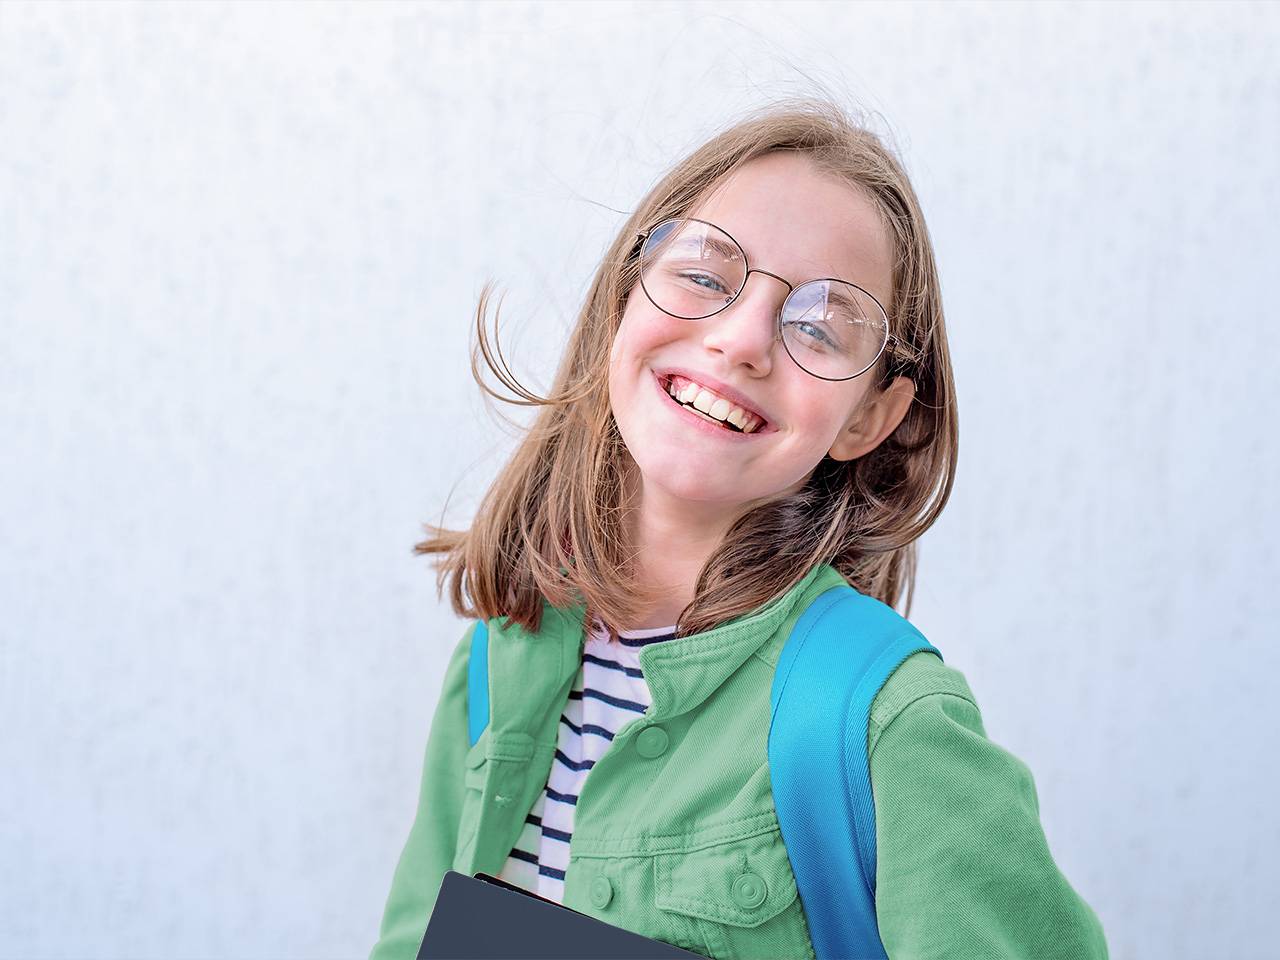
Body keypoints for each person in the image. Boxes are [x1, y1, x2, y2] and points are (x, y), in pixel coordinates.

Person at [369, 97, 1109, 960]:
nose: (742, 340)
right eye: (706, 274)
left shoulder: (887, 729)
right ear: (625, 296)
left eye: (822, 328)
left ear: (871, 413)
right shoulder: (499, 659)